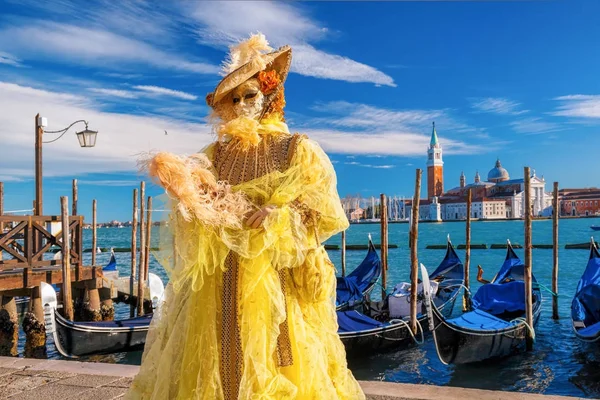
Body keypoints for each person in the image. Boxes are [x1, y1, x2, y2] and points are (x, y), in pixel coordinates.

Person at [125, 33, 364, 400]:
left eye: (248, 95)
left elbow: (321, 212)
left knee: (276, 354)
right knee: (216, 357)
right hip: (219, 280)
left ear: (269, 95)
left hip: (276, 278)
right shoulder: (215, 154)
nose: (240, 105)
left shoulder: (296, 149)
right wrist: (185, 192)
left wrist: (279, 212)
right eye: (233, 99)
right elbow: (202, 204)